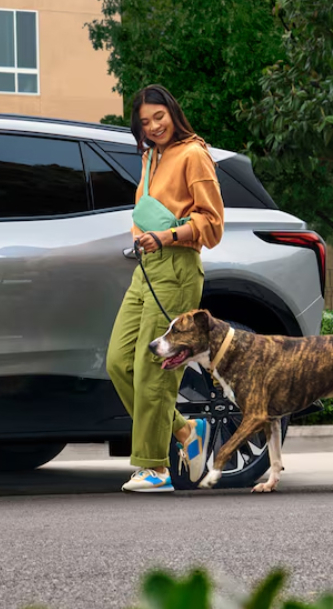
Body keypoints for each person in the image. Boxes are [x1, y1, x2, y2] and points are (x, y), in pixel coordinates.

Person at [107, 84, 225, 493]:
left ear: (172, 112)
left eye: (159, 116)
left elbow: (213, 225)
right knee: (118, 363)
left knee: (153, 369)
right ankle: (187, 430)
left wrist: (168, 236)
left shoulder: (194, 154)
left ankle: (154, 468)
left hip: (176, 267)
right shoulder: (150, 156)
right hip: (145, 267)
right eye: (144, 121)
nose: (154, 125)